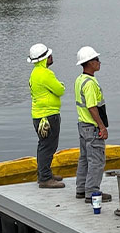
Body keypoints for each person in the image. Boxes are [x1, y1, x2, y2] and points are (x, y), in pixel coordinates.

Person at [74, 46, 111, 203]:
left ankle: (81, 189)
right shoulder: (89, 83)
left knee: (84, 158)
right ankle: (92, 192)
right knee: (96, 160)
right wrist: (102, 127)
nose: (99, 62)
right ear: (89, 63)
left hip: (83, 127)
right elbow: (92, 107)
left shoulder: (80, 80)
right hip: (92, 128)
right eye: (96, 60)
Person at [28, 43, 65, 189]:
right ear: (44, 59)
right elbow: (60, 90)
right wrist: (61, 85)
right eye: (49, 55)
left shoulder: (34, 73)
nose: (51, 57)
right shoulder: (46, 74)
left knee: (43, 145)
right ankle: (45, 178)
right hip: (48, 116)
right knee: (49, 146)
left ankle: (44, 174)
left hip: (38, 116)